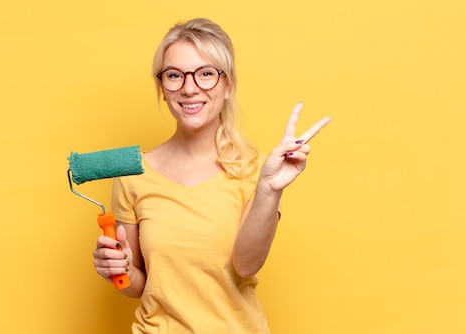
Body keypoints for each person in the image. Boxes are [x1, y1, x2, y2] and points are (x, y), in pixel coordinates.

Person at [92, 17, 331, 333]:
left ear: (228, 85)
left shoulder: (258, 170)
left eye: (206, 74)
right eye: (174, 76)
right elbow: (138, 285)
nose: (189, 88)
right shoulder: (132, 174)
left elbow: (246, 265)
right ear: (162, 88)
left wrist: (269, 190)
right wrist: (119, 269)